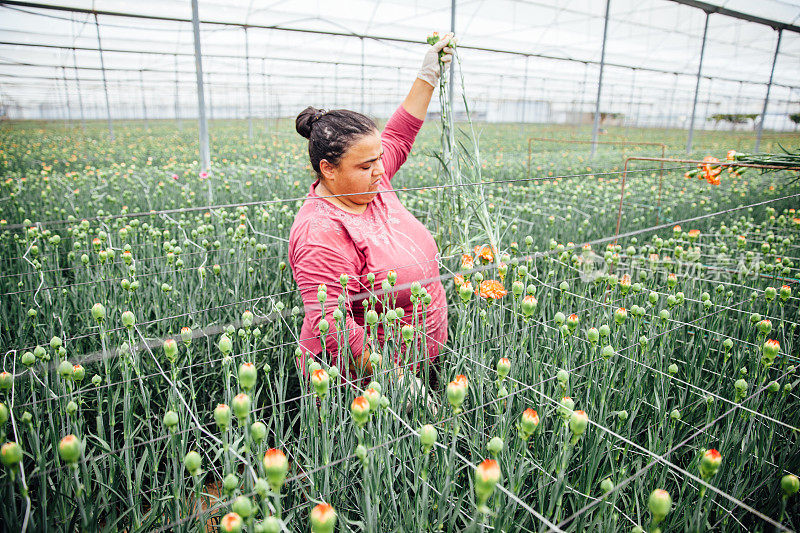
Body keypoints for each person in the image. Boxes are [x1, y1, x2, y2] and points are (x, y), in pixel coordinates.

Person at [288, 33, 456, 385]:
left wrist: (428, 76)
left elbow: (401, 132)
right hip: (365, 390)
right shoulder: (321, 230)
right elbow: (333, 325)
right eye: (366, 165)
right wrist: (398, 383)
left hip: (414, 364)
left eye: (379, 158)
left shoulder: (370, 183)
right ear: (328, 169)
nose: (381, 169)